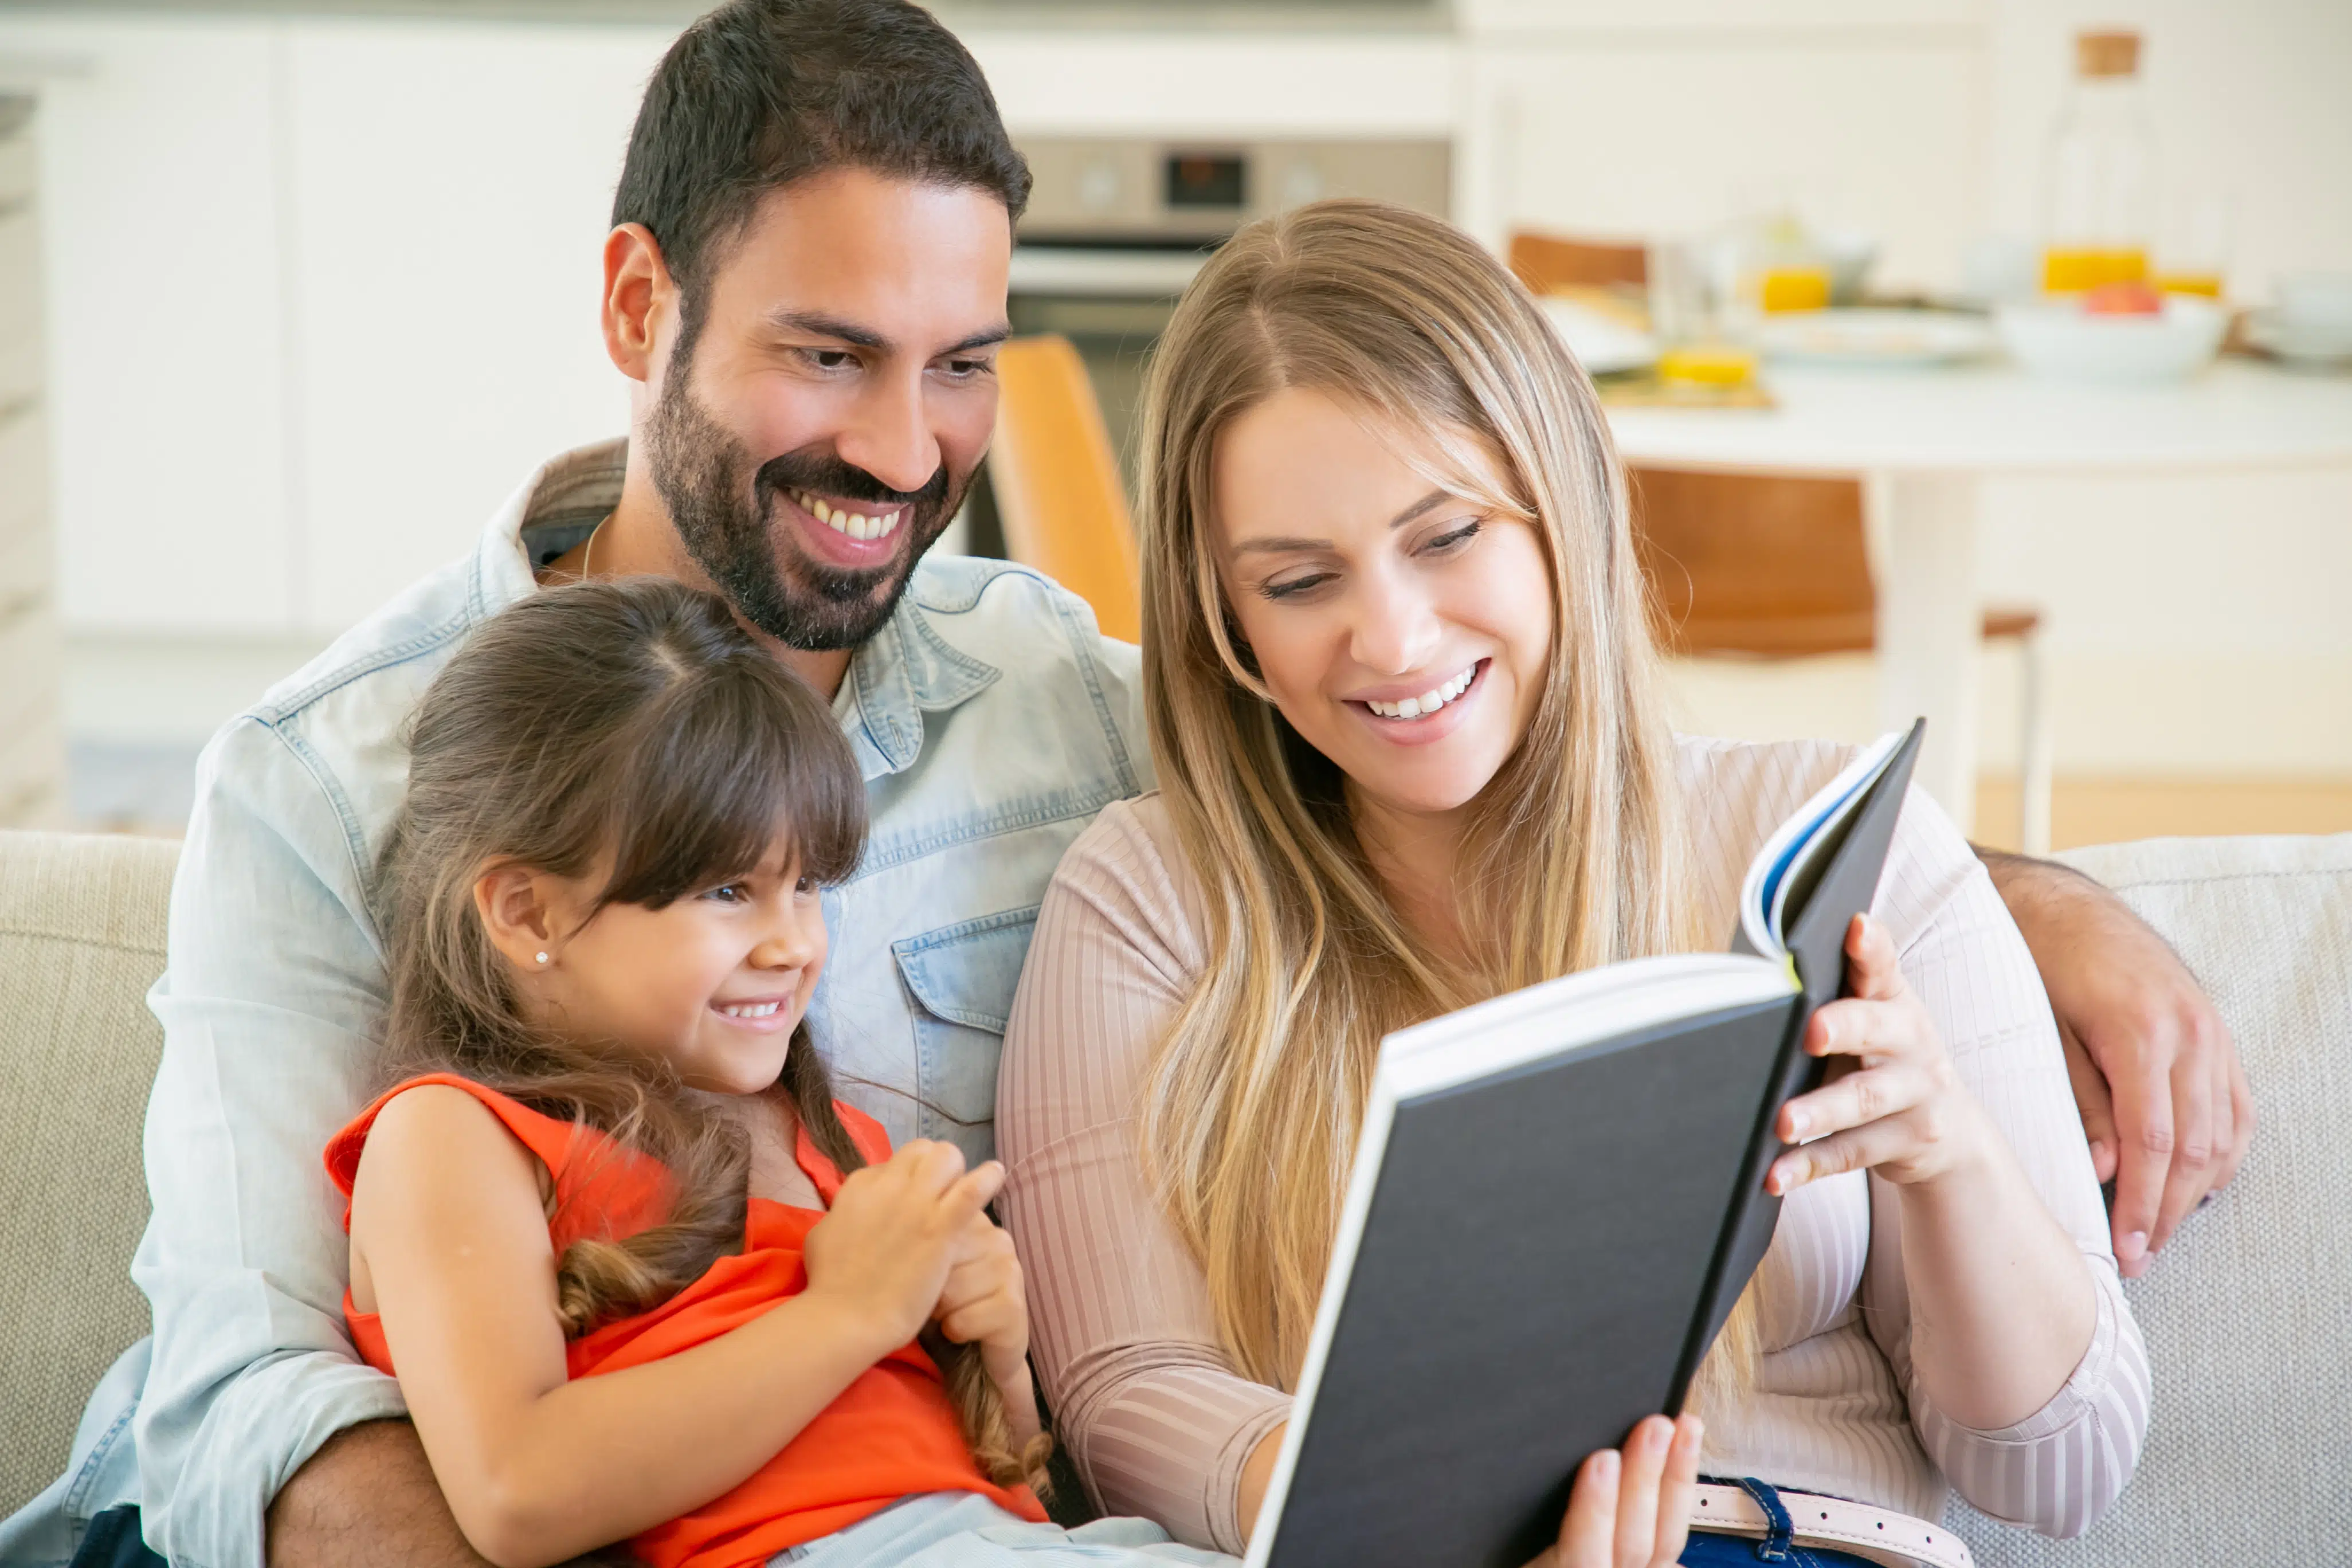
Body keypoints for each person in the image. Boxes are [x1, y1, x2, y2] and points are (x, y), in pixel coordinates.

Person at [0, 2, 2236, 1564]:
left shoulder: (1051, 685)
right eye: (825, 354)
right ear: (636, 307)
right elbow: (264, 1427)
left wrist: (2014, 900)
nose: (903, 448)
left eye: (962, 364)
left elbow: (1411, 721)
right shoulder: (332, 780)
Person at [995, 201, 2151, 1566]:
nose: (1392, 637)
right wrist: (1406, 1516)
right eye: (1300, 581)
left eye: (1446, 537)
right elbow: (1127, 1393)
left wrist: (1945, 1153)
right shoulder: (1148, 901)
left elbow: (2060, 1475)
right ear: (1222, 616)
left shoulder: (1848, 848)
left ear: (1559, 504)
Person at [333, 575, 1238, 1568]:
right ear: (527, 913)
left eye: (805, 885)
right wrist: (849, 1314)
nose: (792, 945)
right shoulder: (452, 1137)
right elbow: (516, 1491)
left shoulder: (836, 1143)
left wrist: (994, 1356)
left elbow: (993, 1483)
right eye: (729, 891)